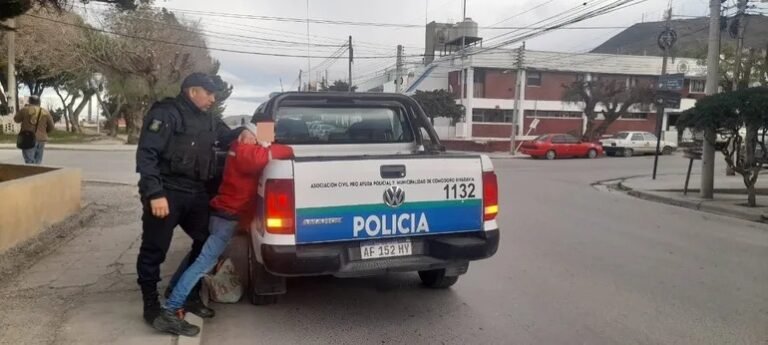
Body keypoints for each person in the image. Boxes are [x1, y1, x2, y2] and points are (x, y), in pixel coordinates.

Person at [135, 72, 255, 326]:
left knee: (207, 241)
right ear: (192, 92)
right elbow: (147, 155)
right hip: (166, 191)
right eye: (209, 93)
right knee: (154, 250)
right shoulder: (166, 113)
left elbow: (225, 135)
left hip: (195, 192)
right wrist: (154, 193)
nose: (213, 98)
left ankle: (188, 295)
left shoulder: (208, 119)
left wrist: (244, 132)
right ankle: (152, 307)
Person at [153, 121, 293, 336]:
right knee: (204, 263)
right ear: (248, 136)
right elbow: (279, 151)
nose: (258, 140)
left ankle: (176, 291)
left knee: (199, 255)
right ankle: (171, 308)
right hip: (227, 216)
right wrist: (273, 145)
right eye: (256, 136)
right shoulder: (245, 151)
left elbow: (267, 146)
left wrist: (263, 141)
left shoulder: (244, 147)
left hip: (223, 213)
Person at [14, 95, 54, 164]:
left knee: (29, 162)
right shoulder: (45, 112)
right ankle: (37, 173)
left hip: (28, 138)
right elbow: (51, 127)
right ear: (39, 102)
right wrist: (43, 132)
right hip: (41, 139)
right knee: (38, 161)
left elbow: (16, 119)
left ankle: (31, 173)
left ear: (30, 101)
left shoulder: (25, 110)